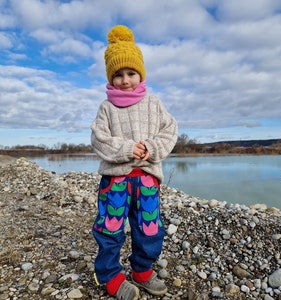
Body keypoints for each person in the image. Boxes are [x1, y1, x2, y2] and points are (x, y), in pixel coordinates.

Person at [91, 25, 178, 300]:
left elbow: (170, 130)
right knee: (110, 229)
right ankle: (109, 275)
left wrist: (150, 148)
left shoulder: (154, 103)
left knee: (149, 228)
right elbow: (99, 140)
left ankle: (141, 270)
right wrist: (130, 148)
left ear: (140, 73)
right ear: (110, 77)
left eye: (130, 73)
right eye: (118, 75)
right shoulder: (107, 108)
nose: (125, 80)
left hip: (147, 180)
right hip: (116, 180)